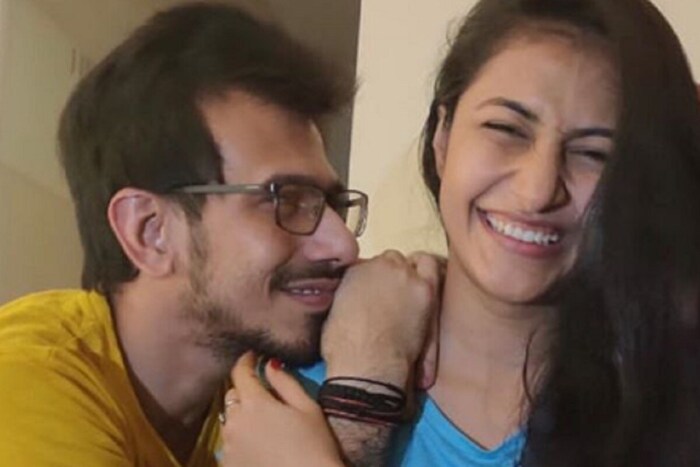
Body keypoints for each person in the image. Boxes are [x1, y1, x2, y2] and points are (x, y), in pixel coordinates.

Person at [219, 0, 700, 466]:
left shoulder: (672, 416)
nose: (537, 191)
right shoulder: (288, 392)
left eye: (594, 154)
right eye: (506, 129)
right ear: (442, 136)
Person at [0, 2, 441, 466]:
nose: (343, 245)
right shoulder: (24, 384)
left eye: (331, 204)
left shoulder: (252, 376)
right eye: (286, 199)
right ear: (150, 232)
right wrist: (361, 397)